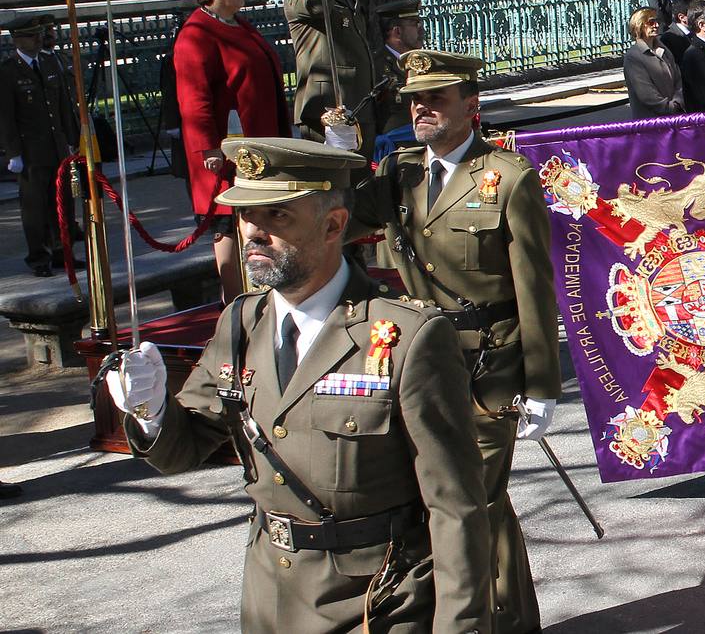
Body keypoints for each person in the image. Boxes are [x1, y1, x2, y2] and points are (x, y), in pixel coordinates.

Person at [104, 137, 495, 632]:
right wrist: (150, 411)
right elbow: (182, 451)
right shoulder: (241, 324)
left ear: (333, 224)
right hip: (271, 597)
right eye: (246, 216)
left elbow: (456, 505)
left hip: (379, 600)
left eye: (278, 217)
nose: (254, 233)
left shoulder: (406, 337)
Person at [331, 52, 559, 633]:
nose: (421, 110)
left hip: (489, 365)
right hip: (416, 364)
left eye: (436, 100)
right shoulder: (399, 173)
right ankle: (511, 617)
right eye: (414, 101)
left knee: (468, 501)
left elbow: (533, 286)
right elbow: (340, 218)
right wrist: (340, 154)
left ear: (472, 106)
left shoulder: (508, 177)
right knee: (473, 501)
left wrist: (541, 385)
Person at [173, 0, 293, 301]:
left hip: (260, 145)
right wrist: (208, 147)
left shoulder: (237, 24)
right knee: (229, 222)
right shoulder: (197, 33)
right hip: (230, 152)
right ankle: (238, 303)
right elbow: (194, 98)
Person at [284, 0, 379, 157]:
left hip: (356, 101)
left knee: (359, 178)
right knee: (333, 182)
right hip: (327, 106)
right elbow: (317, 5)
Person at [0, 14, 80, 277]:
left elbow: (63, 107)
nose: (37, 40)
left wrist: (71, 139)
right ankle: (38, 257)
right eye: (30, 36)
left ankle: (62, 253)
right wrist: (13, 152)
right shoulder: (9, 72)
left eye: (38, 35)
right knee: (34, 208)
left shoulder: (48, 63)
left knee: (62, 204)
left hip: (56, 146)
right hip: (30, 152)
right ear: (16, 40)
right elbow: (6, 116)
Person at [374, 0, 426, 139]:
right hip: (395, 148)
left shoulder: (423, 61)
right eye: (415, 24)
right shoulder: (377, 66)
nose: (421, 29)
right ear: (397, 31)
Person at [622, 7, 685, 118]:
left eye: (657, 22)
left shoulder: (664, 50)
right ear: (639, 25)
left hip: (675, 118)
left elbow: (678, 79)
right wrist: (670, 108)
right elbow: (647, 95)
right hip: (651, 122)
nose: (656, 25)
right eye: (651, 22)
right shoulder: (634, 56)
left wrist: (678, 101)